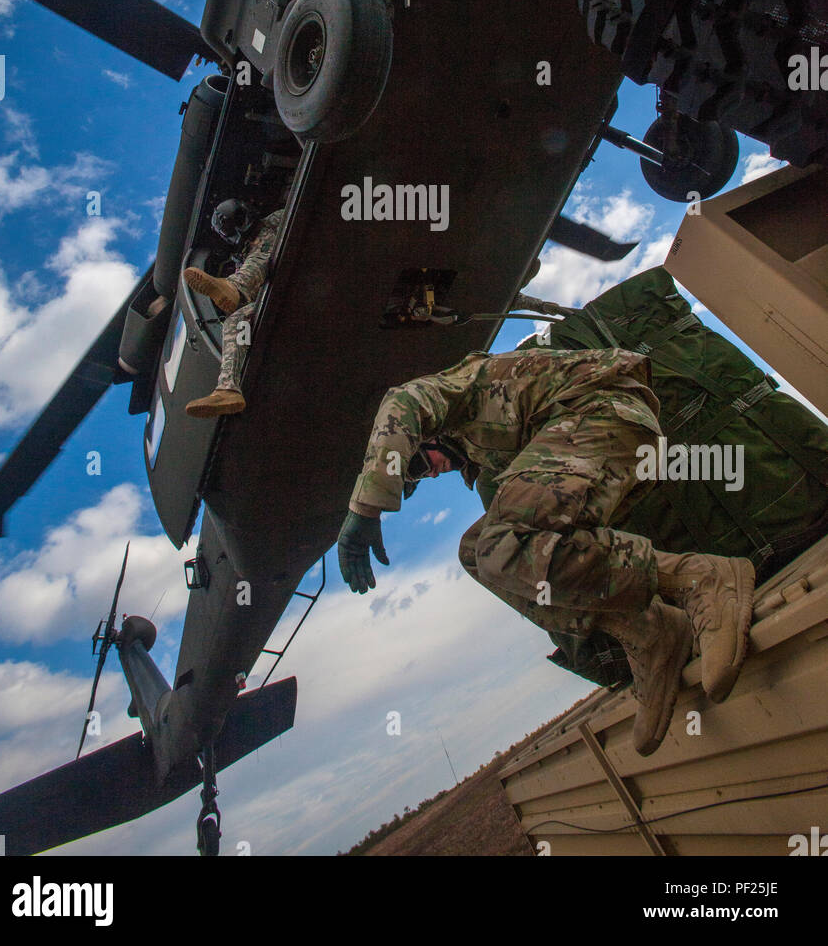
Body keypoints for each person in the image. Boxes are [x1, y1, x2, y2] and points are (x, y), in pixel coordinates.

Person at [337, 346, 755, 757]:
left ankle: (696, 578)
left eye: (417, 464)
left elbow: (402, 400)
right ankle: (649, 632)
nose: (428, 473)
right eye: (418, 477)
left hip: (601, 411)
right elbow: (527, 547)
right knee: (477, 553)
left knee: (501, 546)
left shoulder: (451, 390)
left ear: (421, 437)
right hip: (592, 438)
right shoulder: (486, 456)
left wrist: (366, 507)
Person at [182, 207, 284, 417]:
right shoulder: (243, 256)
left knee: (260, 251)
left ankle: (235, 288)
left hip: (307, 265)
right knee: (236, 321)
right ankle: (227, 389)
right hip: (278, 299)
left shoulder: (271, 223)